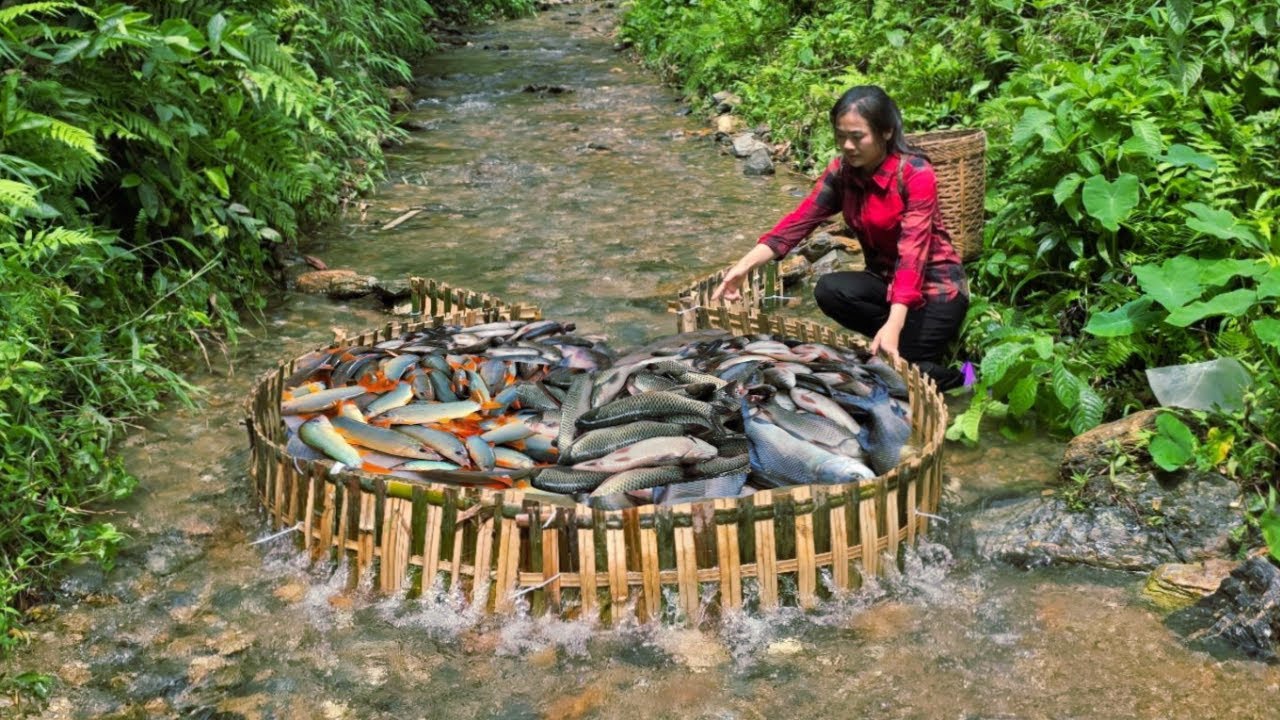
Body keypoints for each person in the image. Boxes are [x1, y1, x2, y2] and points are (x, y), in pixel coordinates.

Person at [711, 85, 969, 391]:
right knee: (830, 289)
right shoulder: (843, 172)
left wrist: (895, 323)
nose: (847, 145)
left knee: (901, 378)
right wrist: (744, 266)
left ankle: (967, 376)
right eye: (840, 136)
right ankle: (901, 338)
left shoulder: (915, 173)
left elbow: (912, 254)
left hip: (936, 290)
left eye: (857, 136)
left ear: (886, 132)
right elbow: (799, 221)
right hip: (885, 285)